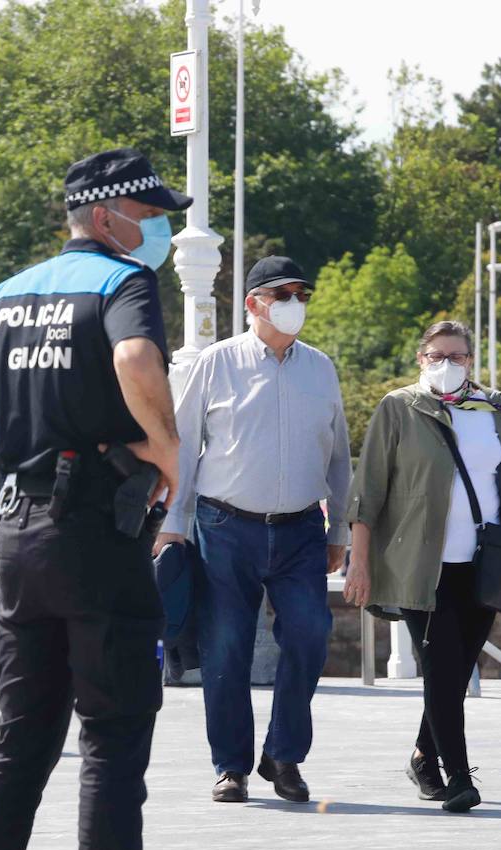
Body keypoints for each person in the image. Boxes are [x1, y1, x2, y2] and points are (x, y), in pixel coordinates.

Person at [0, 146, 184, 850]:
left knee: (20, 748)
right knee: (112, 751)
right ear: (105, 215)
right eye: (151, 216)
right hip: (98, 533)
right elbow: (133, 355)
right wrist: (168, 453)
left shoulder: (11, 292)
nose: (156, 231)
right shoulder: (123, 282)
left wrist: (3, 443)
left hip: (18, 538)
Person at [154, 254, 350, 805]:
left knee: (311, 637)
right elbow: (183, 448)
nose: (295, 305)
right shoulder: (214, 364)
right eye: (283, 294)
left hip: (302, 530)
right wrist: (173, 524)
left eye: (302, 295)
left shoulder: (321, 368)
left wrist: (341, 532)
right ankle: (231, 766)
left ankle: (283, 756)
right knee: (226, 648)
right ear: (252, 303)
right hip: (224, 525)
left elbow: (339, 456)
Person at [343, 320, 501, 813]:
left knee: (456, 672)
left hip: (483, 563)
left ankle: (422, 755)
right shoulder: (399, 408)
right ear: (421, 359)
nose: (446, 365)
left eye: (457, 356)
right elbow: (368, 488)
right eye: (436, 356)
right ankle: (458, 777)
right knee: (439, 667)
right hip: (422, 565)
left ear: (470, 361)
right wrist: (359, 559)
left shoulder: (498, 411)